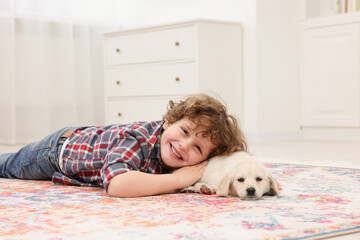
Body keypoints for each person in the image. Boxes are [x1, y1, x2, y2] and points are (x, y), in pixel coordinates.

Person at [0, 93, 247, 198]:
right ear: (169, 121)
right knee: (9, 166)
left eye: (198, 149)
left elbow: (226, 162)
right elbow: (117, 185)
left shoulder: (177, 152)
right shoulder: (136, 139)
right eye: (184, 131)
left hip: (85, 144)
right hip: (57, 151)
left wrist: (256, 179)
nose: (184, 146)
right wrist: (178, 180)